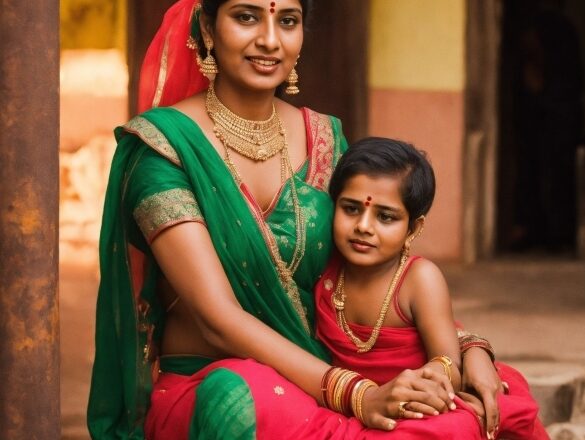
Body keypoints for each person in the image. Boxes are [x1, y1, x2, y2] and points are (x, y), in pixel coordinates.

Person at [87, 1, 515, 438]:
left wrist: (466, 350)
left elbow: (372, 273)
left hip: (320, 373)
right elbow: (217, 318)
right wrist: (357, 394)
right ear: (208, 29)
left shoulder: (324, 137)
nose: (270, 40)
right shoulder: (164, 149)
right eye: (247, 17)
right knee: (233, 399)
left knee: (476, 409)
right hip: (218, 388)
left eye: (287, 21)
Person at [313, 137, 548, 439]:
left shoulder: (418, 279)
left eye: (385, 217)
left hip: (417, 403)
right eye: (351, 209)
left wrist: (429, 381)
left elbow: (447, 361)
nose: (364, 226)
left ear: (413, 228)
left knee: (455, 425)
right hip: (352, 403)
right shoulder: (323, 268)